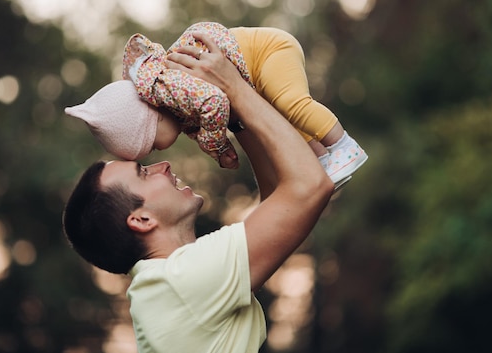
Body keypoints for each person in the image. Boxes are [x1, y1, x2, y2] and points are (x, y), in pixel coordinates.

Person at [62, 33, 337, 353]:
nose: (162, 164)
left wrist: (236, 114)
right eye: (144, 172)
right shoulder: (181, 281)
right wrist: (236, 89)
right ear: (141, 219)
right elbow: (309, 187)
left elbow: (281, 203)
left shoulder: (167, 286)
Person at [65, 22, 367, 185]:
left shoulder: (167, 86)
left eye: (153, 145)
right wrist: (221, 149)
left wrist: (217, 145)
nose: (161, 151)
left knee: (291, 103)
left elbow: (214, 101)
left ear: (151, 118)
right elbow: (209, 118)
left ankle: (342, 145)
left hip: (269, 53)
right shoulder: (180, 110)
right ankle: (321, 158)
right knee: (282, 116)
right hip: (255, 77)